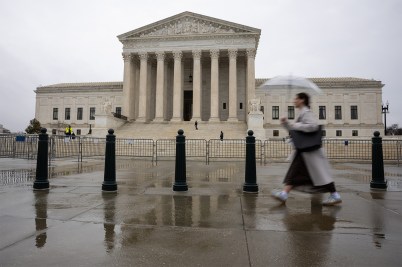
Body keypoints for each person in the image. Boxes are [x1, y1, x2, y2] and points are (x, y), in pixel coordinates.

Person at [271, 92, 342, 206]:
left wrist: (295, 125)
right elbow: (294, 130)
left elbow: (313, 126)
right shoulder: (301, 113)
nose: (294, 101)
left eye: (296, 99)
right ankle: (284, 193)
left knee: (315, 174)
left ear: (302, 100)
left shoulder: (306, 112)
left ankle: (334, 195)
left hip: (309, 150)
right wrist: (285, 123)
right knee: (300, 173)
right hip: (304, 150)